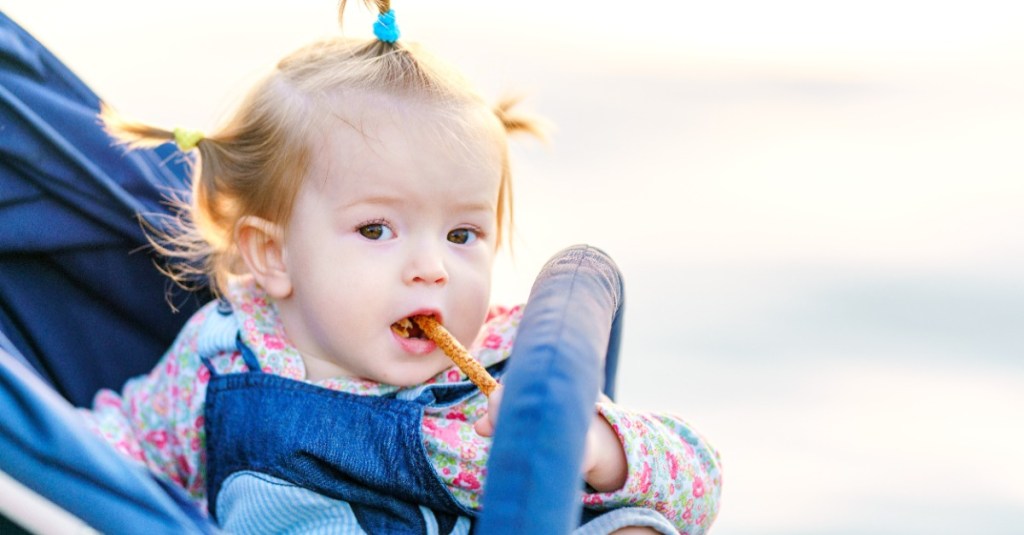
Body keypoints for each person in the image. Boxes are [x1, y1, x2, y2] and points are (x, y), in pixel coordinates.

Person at [81, 1, 722, 533]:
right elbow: (118, 448)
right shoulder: (224, 358)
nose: (430, 267)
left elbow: (699, 483)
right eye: (376, 229)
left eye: (462, 233)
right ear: (273, 255)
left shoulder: (507, 366)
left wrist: (594, 447)